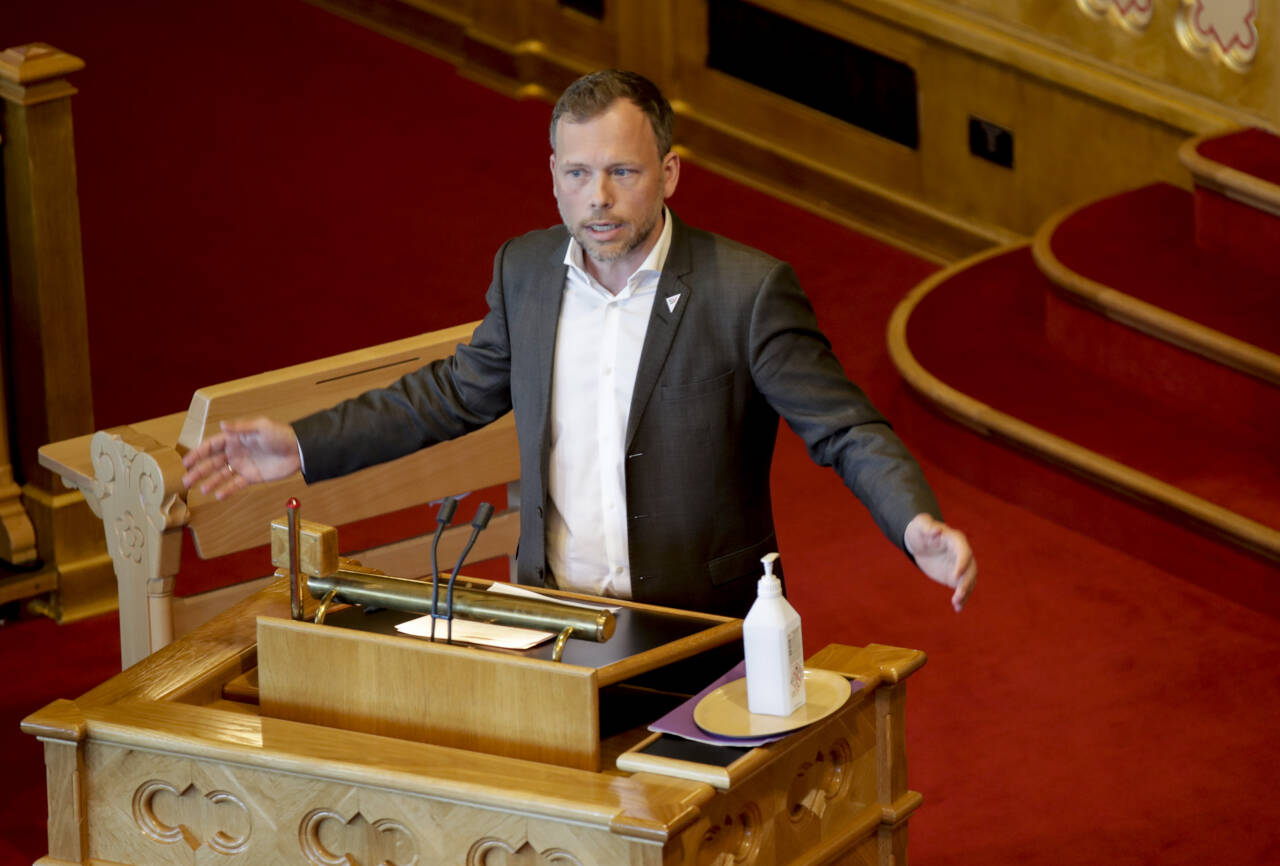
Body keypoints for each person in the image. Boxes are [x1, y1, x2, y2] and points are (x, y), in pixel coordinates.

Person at [182, 69, 976, 618]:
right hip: (552, 614)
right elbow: (452, 393)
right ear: (553, 173)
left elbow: (843, 428)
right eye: (576, 173)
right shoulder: (525, 269)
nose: (596, 198)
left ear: (669, 172)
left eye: (622, 172)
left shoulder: (746, 291)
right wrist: (300, 444)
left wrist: (914, 524)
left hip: (696, 625)